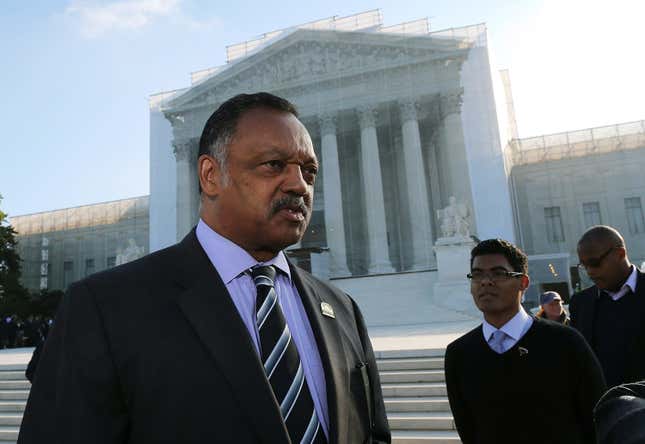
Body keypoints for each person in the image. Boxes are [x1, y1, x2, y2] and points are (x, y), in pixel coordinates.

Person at [18, 93, 390, 444]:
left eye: (308, 171)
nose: (299, 185)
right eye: (273, 165)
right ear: (210, 175)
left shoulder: (342, 311)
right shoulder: (106, 308)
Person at [444, 239, 606, 444]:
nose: (486, 281)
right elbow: (468, 430)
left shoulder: (565, 342)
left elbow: (597, 419)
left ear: (523, 283)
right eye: (477, 275)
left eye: (498, 273)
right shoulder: (459, 354)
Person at [570, 225, 645, 388]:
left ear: (620, 254)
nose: (589, 272)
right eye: (584, 265)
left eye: (595, 263)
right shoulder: (580, 304)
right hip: (602, 408)